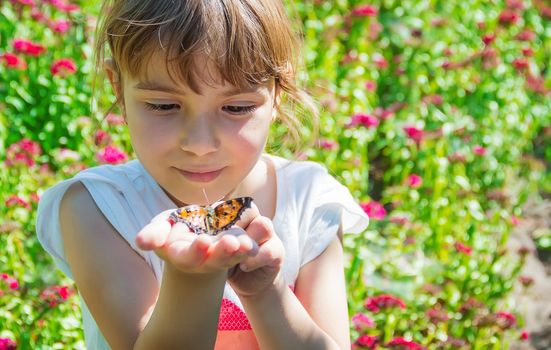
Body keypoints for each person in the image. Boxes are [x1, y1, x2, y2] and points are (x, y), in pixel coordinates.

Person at [36, 0, 369, 349]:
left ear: (277, 95)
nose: (199, 144)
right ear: (118, 88)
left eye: (236, 107)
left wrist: (266, 291)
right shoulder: (97, 207)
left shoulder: (309, 200)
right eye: (163, 106)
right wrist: (193, 279)